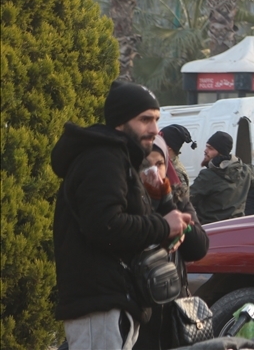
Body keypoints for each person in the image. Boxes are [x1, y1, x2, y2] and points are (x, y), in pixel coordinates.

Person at [51, 81, 192, 350]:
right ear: (119, 122)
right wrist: (163, 226)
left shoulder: (118, 158)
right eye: (144, 119)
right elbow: (105, 225)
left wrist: (163, 211)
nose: (153, 129)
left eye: (156, 120)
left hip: (113, 303)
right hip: (100, 304)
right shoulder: (102, 157)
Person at [135, 135, 209, 349]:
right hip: (140, 313)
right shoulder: (128, 201)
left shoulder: (176, 196)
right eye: (145, 166)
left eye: (159, 164)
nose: (153, 172)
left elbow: (199, 247)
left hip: (173, 309)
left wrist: (167, 203)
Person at [190, 131, 254, 224]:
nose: (205, 150)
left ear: (221, 152)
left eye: (210, 148)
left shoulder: (208, 175)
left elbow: (189, 199)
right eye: (206, 146)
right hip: (236, 226)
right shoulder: (246, 170)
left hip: (211, 227)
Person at [159, 123, 197, 193]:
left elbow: (181, 199)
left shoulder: (176, 172)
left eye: (159, 141)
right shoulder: (164, 165)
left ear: (168, 147)